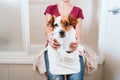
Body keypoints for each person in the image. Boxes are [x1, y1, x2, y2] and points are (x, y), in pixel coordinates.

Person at [44, 0, 84, 80]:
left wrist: (77, 41)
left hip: (71, 48)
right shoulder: (50, 8)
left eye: (66, 24)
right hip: (54, 48)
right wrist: (50, 38)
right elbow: (48, 29)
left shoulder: (78, 10)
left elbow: (78, 31)